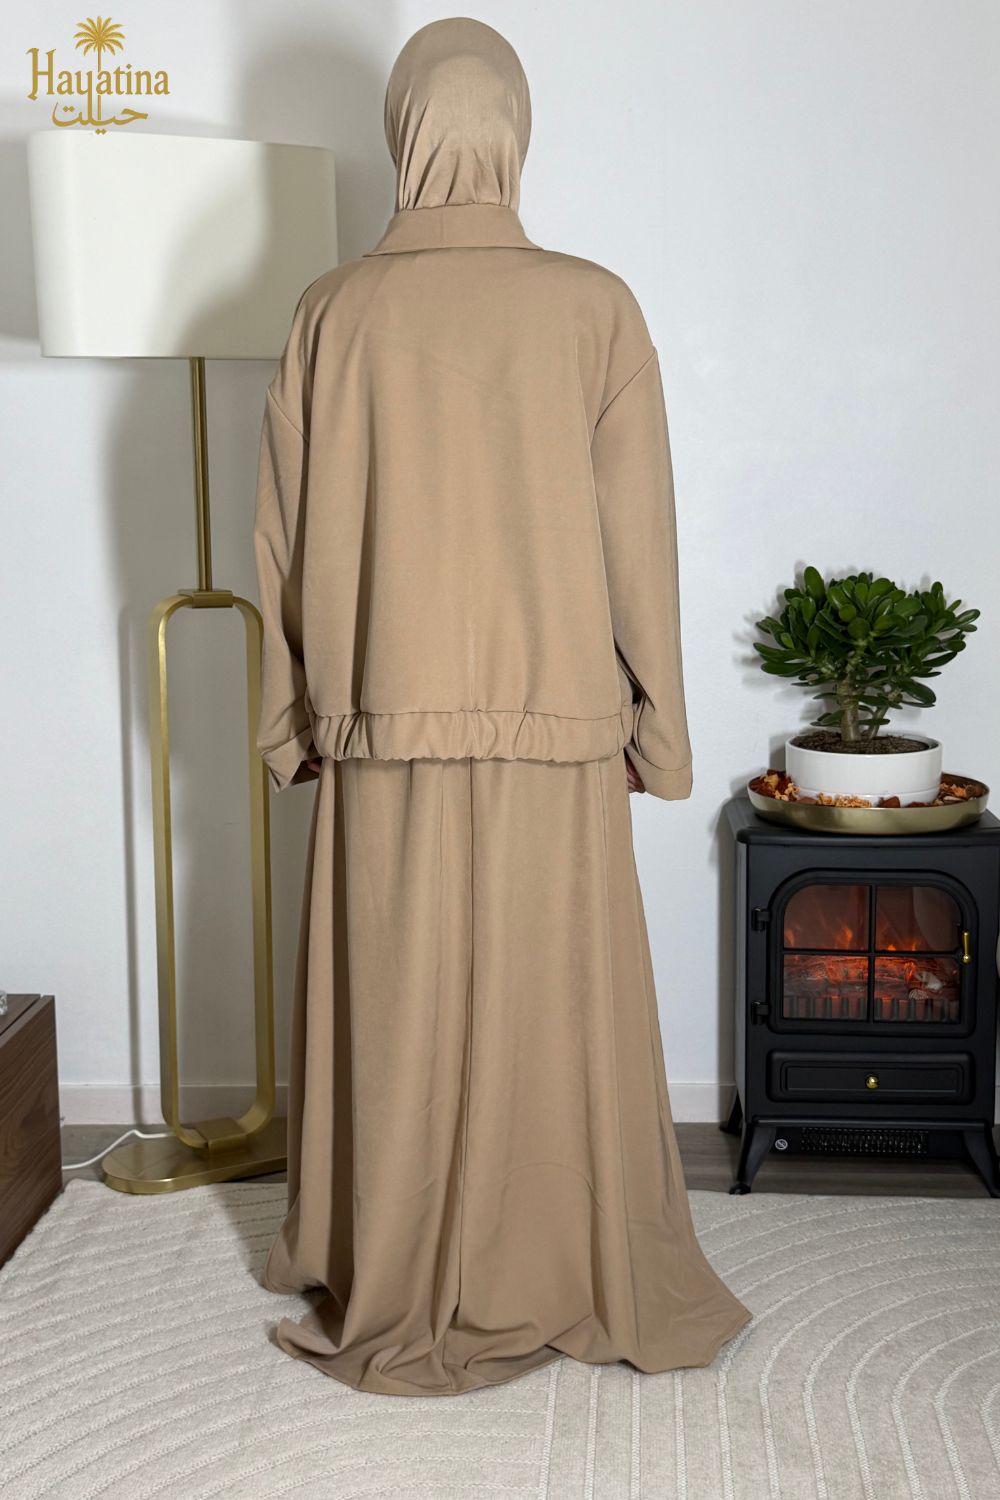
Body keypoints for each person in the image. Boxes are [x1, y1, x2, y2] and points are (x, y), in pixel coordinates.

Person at [253, 15, 752, 1397]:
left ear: (402, 130)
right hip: (558, 721)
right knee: (554, 1002)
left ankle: (394, 1258)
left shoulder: (331, 311)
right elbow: (640, 542)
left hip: (384, 721)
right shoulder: (595, 306)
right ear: (516, 129)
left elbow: (280, 541)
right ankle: (553, 1258)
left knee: (396, 1006)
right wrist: (658, 733)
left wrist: (294, 724)